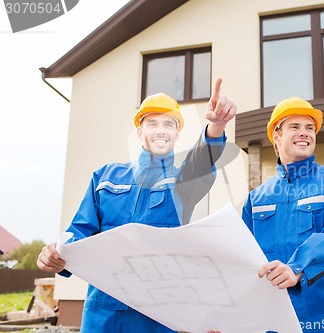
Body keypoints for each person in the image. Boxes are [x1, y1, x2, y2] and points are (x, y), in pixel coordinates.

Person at [37, 78, 236, 333]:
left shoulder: (182, 182)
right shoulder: (105, 177)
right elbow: (79, 231)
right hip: (103, 309)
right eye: (152, 123)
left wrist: (216, 126)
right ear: (140, 132)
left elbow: (201, 161)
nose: (160, 130)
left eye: (169, 124)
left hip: (157, 312)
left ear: (177, 135)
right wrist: (57, 256)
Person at [242, 97, 324, 333]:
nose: (305, 133)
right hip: (276, 320)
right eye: (295, 127)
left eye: (310, 128)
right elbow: (242, 257)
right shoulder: (256, 199)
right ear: (276, 136)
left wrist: (298, 266)